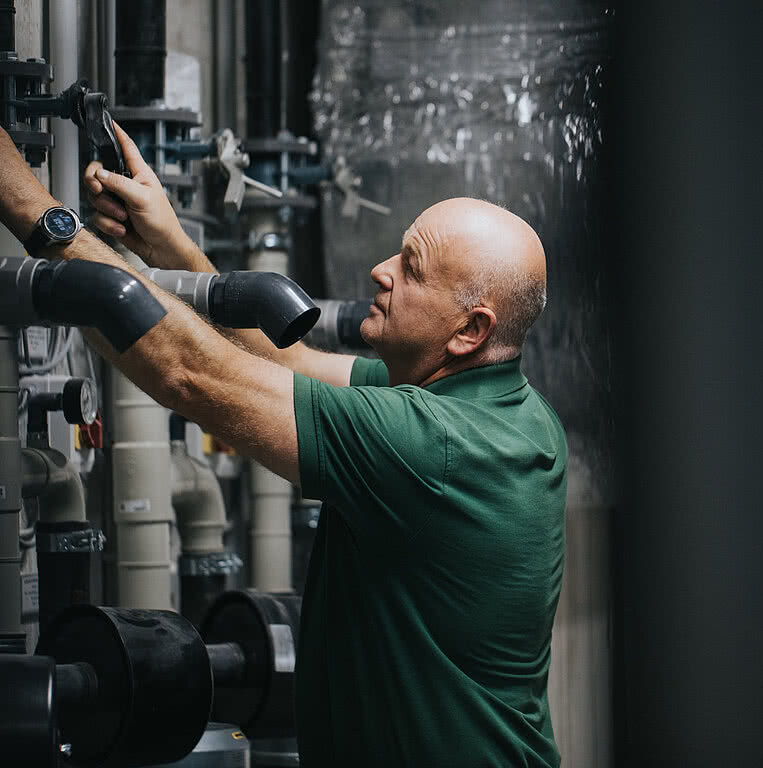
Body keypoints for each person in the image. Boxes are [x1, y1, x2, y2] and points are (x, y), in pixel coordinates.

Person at [0, 122, 567, 767]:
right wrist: (171, 247)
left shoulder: (432, 447)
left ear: (469, 329)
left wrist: (23, 199)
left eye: (411, 269)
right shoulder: (502, 409)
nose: (380, 271)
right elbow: (286, 363)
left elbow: (191, 373)